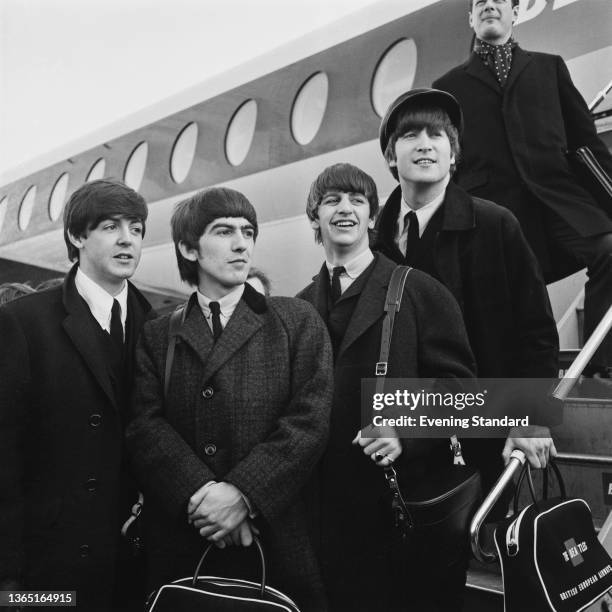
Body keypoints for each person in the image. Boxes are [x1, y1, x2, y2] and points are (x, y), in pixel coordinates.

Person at [125, 187, 333, 611]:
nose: (242, 243)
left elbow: (309, 420)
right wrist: (204, 495)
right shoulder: (158, 332)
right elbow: (144, 425)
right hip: (185, 540)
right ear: (188, 247)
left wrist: (243, 496)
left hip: (274, 539)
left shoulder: (295, 320)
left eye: (248, 231)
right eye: (224, 231)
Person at [297, 162, 477, 611]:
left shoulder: (420, 291)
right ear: (314, 217)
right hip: (325, 519)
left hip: (402, 512)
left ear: (373, 218)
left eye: (358, 201)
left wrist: (404, 428)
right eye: (332, 200)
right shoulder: (296, 307)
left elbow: (464, 391)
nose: (345, 209)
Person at [375, 88, 559, 511]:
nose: (425, 143)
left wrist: (531, 416)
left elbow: (537, 333)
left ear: (453, 155)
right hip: (399, 438)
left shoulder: (496, 225)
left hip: (485, 433)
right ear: (390, 157)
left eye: (438, 135)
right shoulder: (374, 243)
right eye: (410, 135)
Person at [433, 0, 612, 377]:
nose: (488, 6)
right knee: (516, 301)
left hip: (558, 201)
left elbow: (585, 143)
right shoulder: (448, 88)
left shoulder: (549, 67)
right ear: (471, 18)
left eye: (498, 1)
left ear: (516, 13)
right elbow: (447, 166)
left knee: (609, 250)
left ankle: (600, 365)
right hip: (494, 213)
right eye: (479, 3)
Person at [0, 179, 153, 611]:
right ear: (76, 236)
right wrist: (7, 574)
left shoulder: (159, 328)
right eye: (110, 226)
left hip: (130, 565)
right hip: (48, 567)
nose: (127, 239)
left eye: (137, 228)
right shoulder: (22, 323)